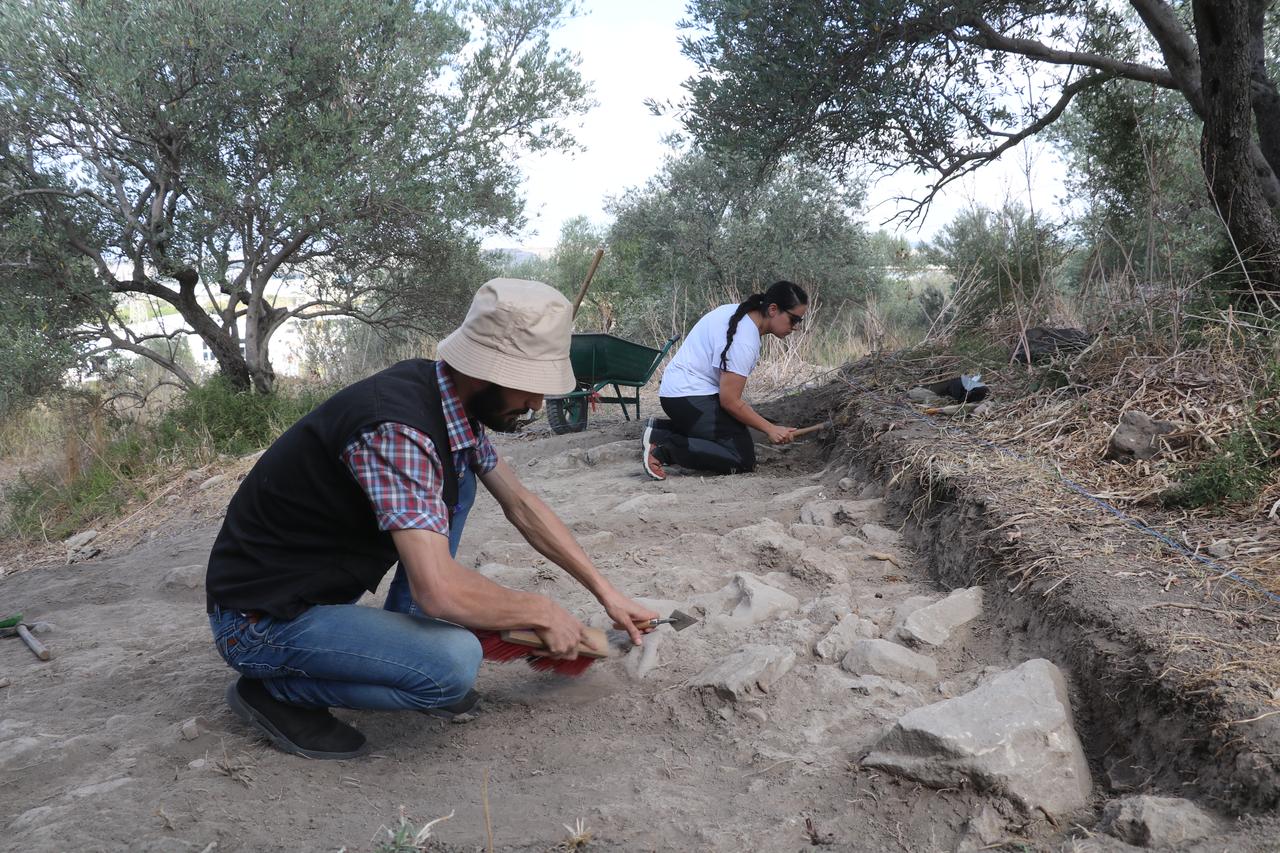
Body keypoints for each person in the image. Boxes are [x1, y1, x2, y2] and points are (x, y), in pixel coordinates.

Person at [205, 278, 659, 759]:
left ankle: (406, 636)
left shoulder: (446, 398)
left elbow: (521, 504)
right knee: (451, 665)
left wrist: (606, 593)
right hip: (259, 621)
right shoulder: (399, 429)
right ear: (490, 372)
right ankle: (275, 692)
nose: (535, 404)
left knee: (461, 476)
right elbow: (438, 590)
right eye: (530, 387)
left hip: (304, 590)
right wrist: (540, 612)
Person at [641, 280, 809, 479]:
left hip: (680, 392)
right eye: (794, 320)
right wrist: (770, 429)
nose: (796, 328)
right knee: (740, 458)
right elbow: (729, 401)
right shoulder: (744, 340)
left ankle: (657, 431)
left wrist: (768, 426)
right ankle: (663, 449)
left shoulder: (737, 313)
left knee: (746, 429)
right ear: (773, 309)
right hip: (688, 397)